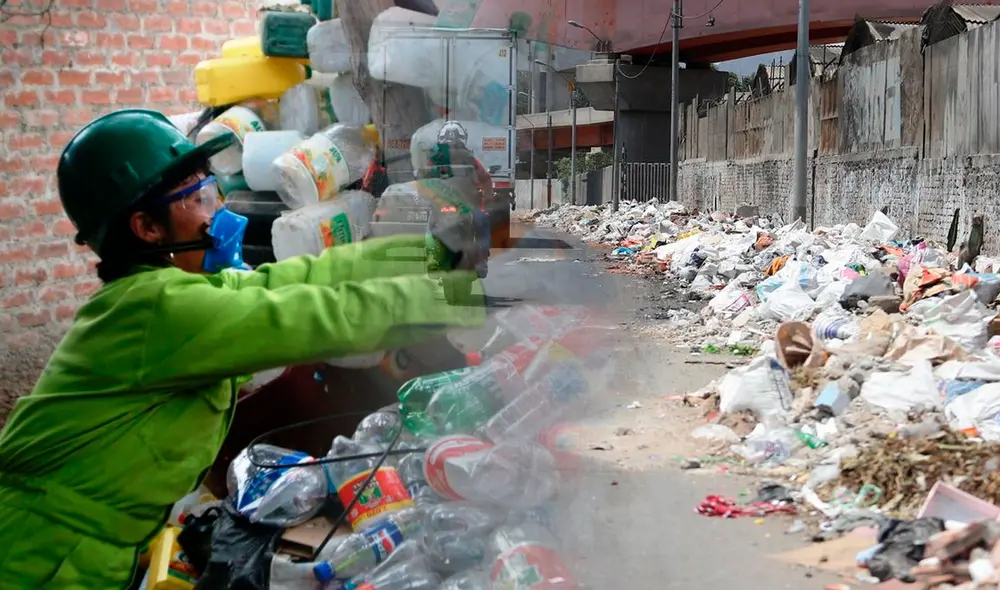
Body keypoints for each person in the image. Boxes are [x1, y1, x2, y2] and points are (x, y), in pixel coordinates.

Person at [0, 109, 485, 589]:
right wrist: (477, 296)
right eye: (199, 199)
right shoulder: (159, 311)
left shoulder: (170, 291)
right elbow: (324, 317)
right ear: (147, 228)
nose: (217, 213)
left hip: (84, 548)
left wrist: (439, 249)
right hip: (40, 556)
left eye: (210, 191)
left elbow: (305, 278)